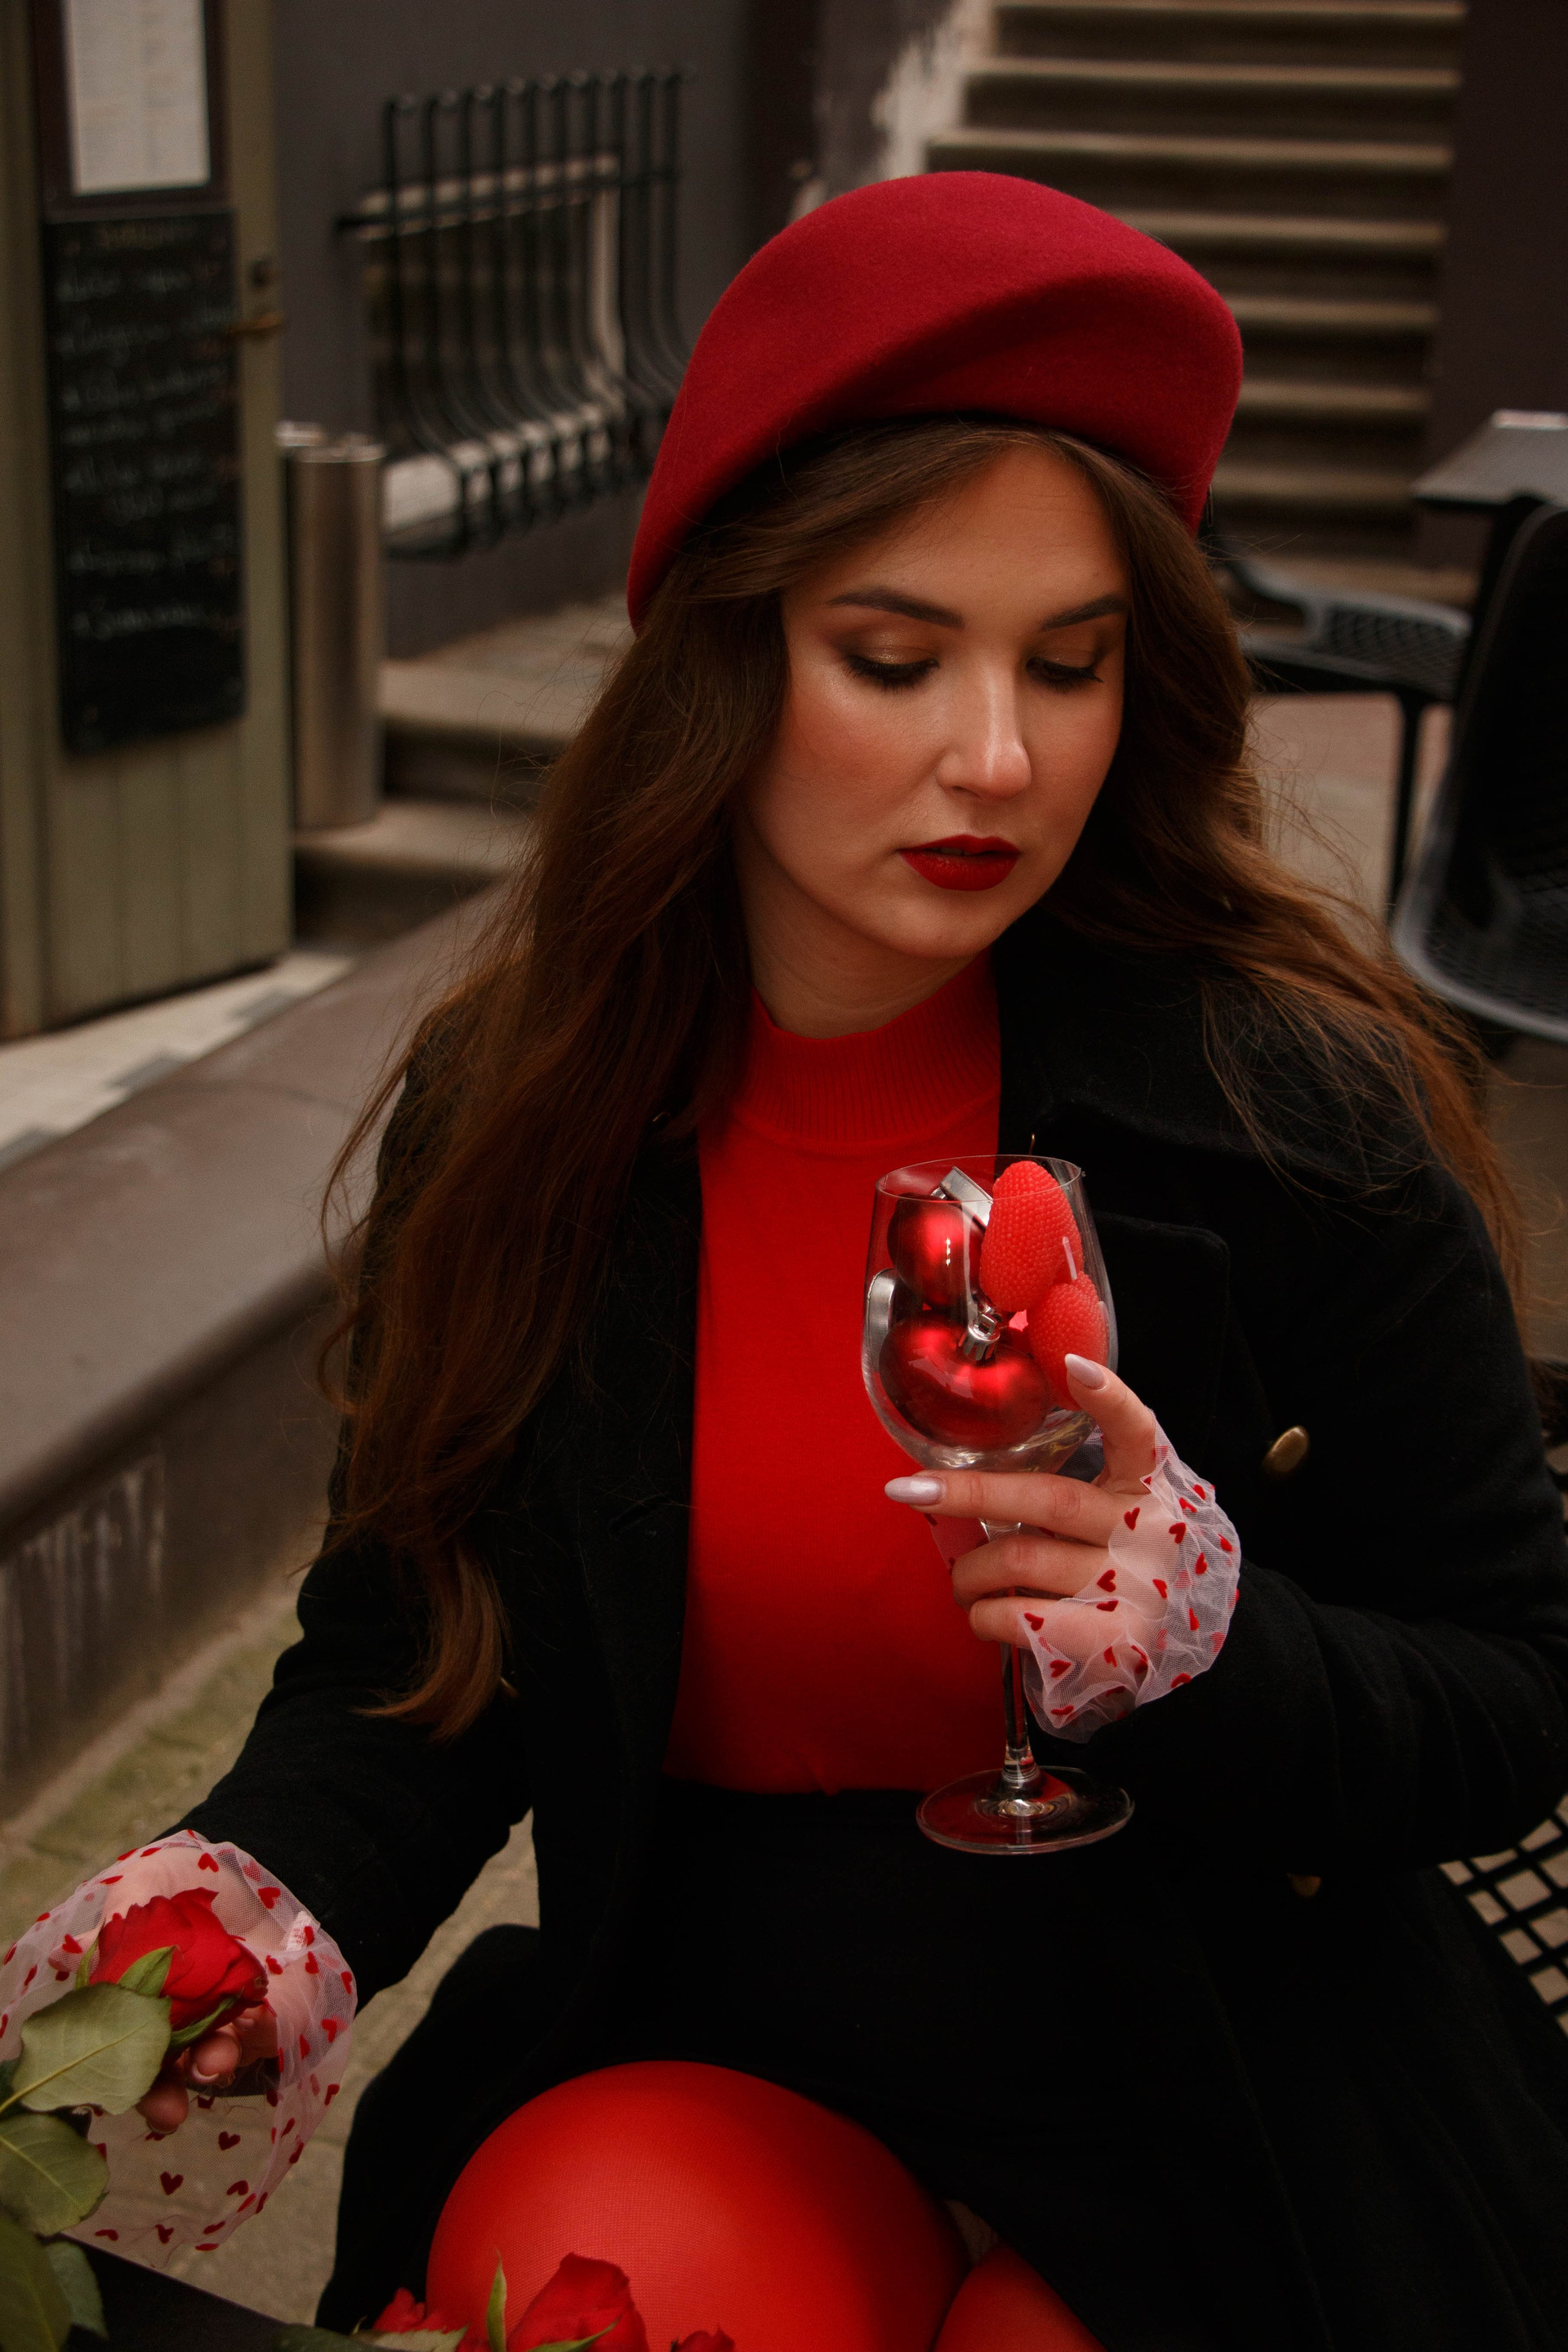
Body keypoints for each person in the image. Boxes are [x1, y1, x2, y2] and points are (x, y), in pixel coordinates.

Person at [25, 174, 1568, 2350]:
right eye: (895, 658)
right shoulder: (532, 1110)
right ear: (722, 658)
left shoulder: (1292, 1111)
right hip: (733, 2033)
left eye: (1071, 664)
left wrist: (1216, 1644)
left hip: (1228, 2061)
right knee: (588, 2281)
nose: (998, 757)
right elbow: (416, 1664)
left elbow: (1515, 1696)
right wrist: (241, 1914)